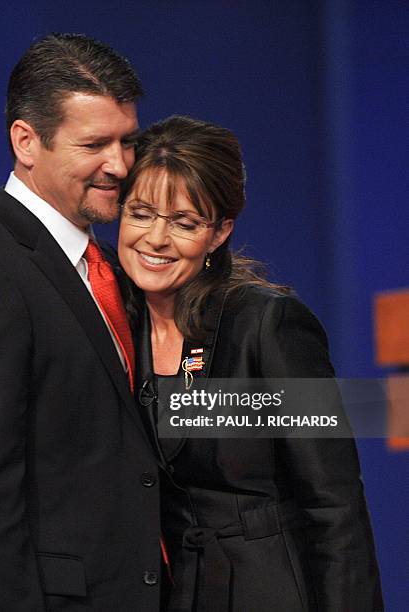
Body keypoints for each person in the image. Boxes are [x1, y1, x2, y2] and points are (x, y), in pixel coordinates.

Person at [0, 34, 162, 611]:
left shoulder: (109, 267)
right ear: (26, 142)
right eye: (95, 144)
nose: (121, 165)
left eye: (127, 141)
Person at [117, 115, 384, 611]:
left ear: (219, 232)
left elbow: (335, 506)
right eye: (140, 213)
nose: (155, 239)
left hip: (271, 592)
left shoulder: (268, 323)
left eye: (184, 222)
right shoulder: (114, 327)